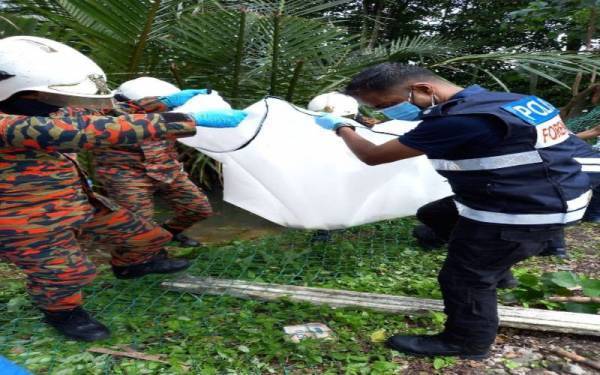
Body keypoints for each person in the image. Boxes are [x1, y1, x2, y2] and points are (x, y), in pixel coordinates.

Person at [314, 63, 592, 359]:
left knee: (464, 277)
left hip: (523, 209)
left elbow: (372, 156)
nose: (389, 113)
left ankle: (467, 343)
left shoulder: (459, 120)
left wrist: (341, 127)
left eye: (389, 106)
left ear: (422, 90)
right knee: (435, 215)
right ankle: (500, 268)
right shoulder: (513, 101)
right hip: (556, 192)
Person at [0, 36, 246, 341]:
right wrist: (188, 120)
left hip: (78, 200)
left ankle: (131, 266)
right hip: (25, 219)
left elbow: (116, 112)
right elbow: (85, 132)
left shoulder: (49, 109)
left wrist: (166, 103)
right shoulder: (12, 123)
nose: (57, 101)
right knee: (63, 273)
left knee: (148, 235)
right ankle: (64, 313)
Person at [92, 77, 214, 247]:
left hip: (167, 169)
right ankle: (142, 257)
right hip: (125, 175)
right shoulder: (102, 117)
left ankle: (168, 234)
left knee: (198, 209)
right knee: (139, 225)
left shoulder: (168, 115)